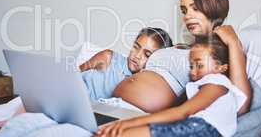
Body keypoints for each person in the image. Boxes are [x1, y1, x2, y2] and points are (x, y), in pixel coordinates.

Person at [100, 0, 252, 136]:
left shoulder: (216, 57)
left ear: (213, 6)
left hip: (141, 117)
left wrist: (233, 42)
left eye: (195, 8)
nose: (187, 16)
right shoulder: (179, 47)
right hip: (110, 105)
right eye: (184, 10)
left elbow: (241, 105)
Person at [96, 34, 247, 137]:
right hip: (194, 128)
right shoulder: (206, 86)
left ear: (222, 67)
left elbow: (183, 112)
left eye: (199, 65)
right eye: (191, 66)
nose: (193, 73)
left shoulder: (217, 82)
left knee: (118, 133)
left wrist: (130, 122)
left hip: (199, 130)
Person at [79, 27, 173, 101]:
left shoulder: (144, 86)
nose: (137, 55)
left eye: (147, 55)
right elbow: (75, 74)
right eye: (136, 47)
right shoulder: (108, 57)